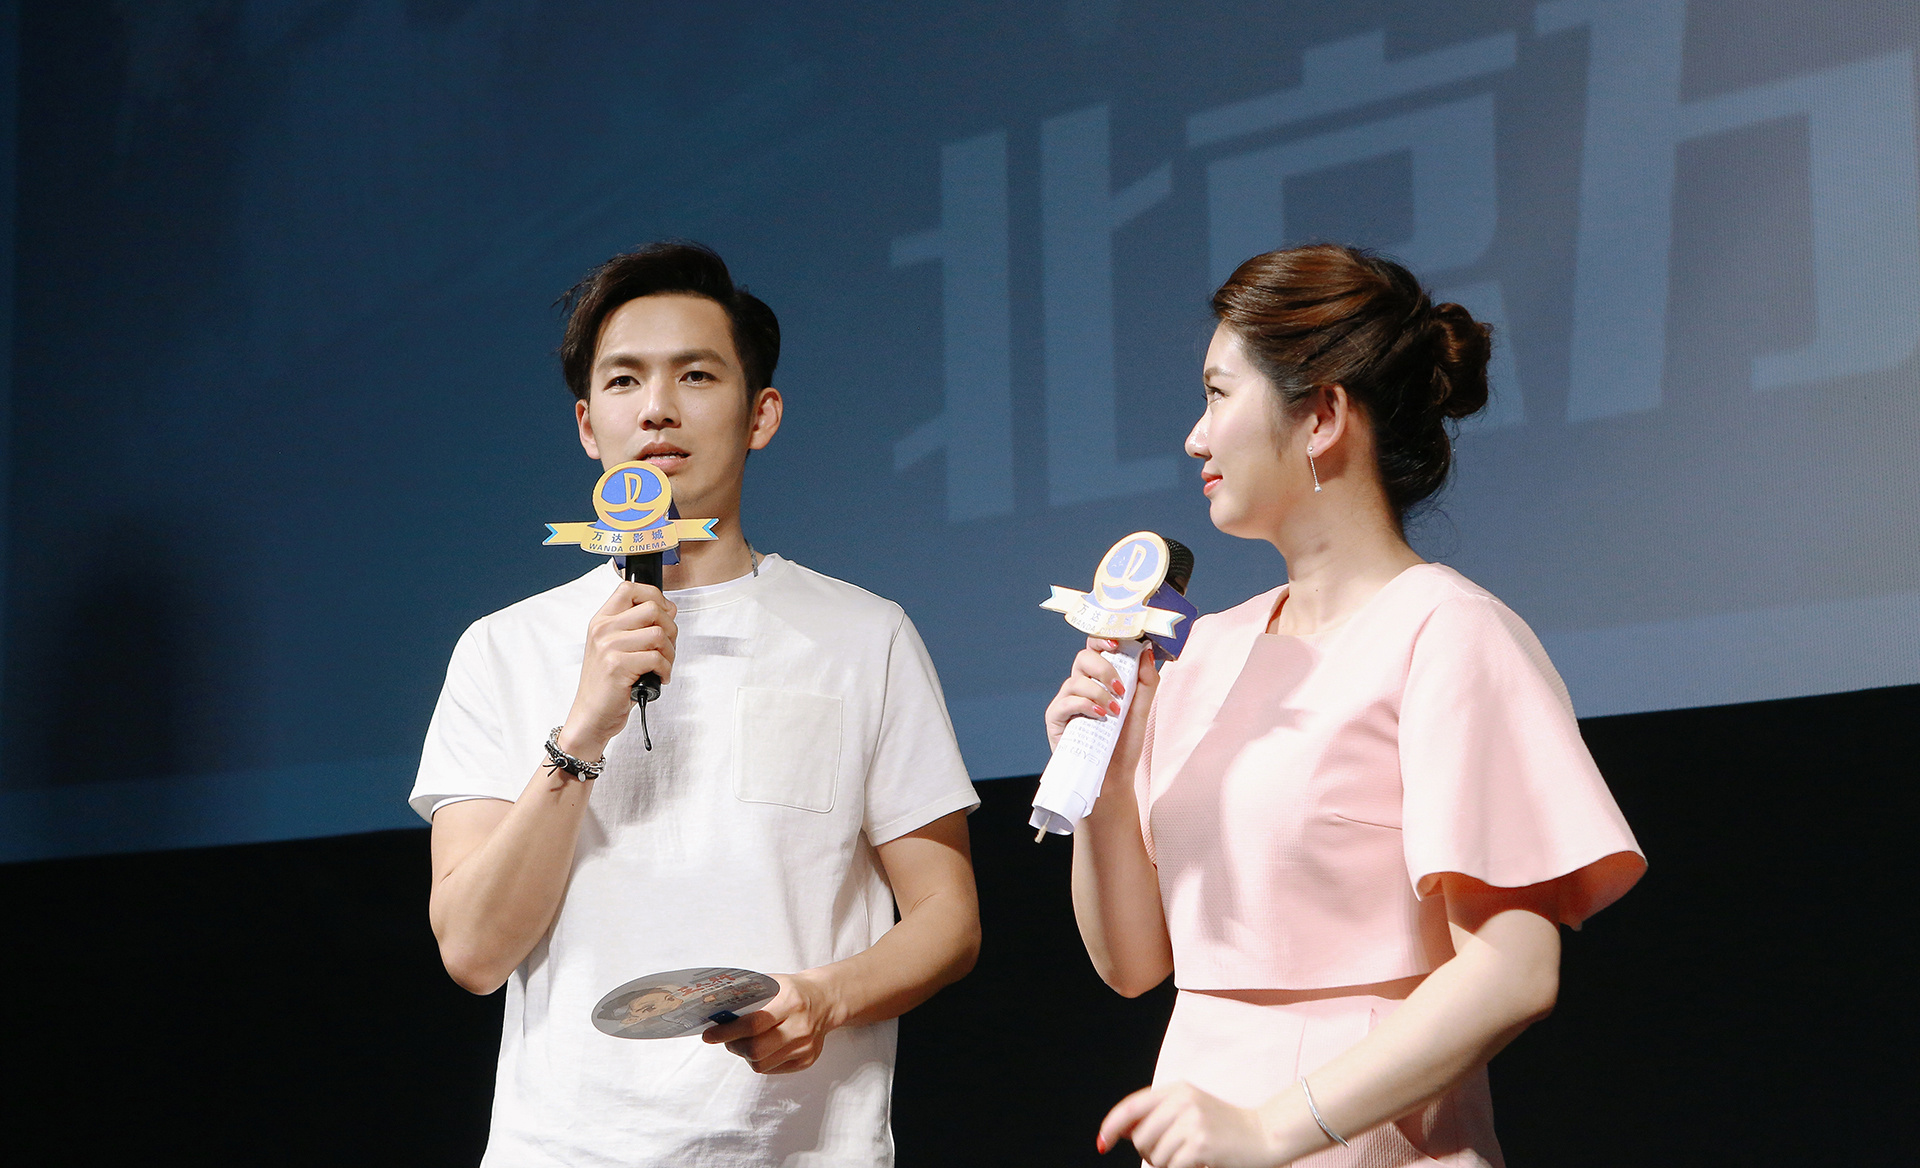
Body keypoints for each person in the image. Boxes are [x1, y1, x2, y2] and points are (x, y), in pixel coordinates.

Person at [1045, 243, 1645, 1168]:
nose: (1196, 439)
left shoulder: (1448, 634)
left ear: (1323, 415)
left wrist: (1270, 1128)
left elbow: (1514, 971)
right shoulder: (1206, 649)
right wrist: (1110, 777)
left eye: (1218, 395)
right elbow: (1132, 965)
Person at [412, 241, 981, 1167]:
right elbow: (473, 952)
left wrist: (825, 999)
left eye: (697, 375)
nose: (658, 408)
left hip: (800, 1149)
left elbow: (948, 919)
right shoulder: (501, 649)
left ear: (762, 415)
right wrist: (583, 728)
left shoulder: (863, 634)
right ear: (588, 425)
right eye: (624, 380)